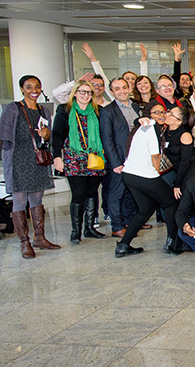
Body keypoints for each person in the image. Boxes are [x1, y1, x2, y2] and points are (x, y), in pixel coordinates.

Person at [0, 75, 58, 258]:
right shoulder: (13, 108)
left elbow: (48, 137)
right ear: (22, 89)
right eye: (29, 87)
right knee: (19, 201)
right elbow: (4, 136)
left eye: (37, 86)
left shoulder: (44, 111)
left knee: (37, 199)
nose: (34, 90)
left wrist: (47, 134)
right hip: (18, 160)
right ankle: (24, 242)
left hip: (38, 160)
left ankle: (39, 238)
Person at [116, 104, 181, 258]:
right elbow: (155, 156)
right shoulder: (150, 127)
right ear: (148, 114)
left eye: (163, 112)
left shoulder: (143, 128)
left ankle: (123, 245)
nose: (161, 115)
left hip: (129, 175)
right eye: (156, 112)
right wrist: (156, 174)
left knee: (145, 209)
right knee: (171, 203)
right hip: (144, 175)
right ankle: (173, 242)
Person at [52, 80, 107, 243]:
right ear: (75, 93)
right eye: (82, 92)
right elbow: (57, 135)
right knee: (78, 194)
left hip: (95, 158)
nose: (86, 95)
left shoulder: (98, 111)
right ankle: (76, 231)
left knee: (92, 193)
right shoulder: (65, 110)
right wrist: (57, 156)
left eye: (89, 92)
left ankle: (89, 228)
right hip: (73, 158)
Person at [99, 78, 142, 239]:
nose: (122, 91)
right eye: (117, 89)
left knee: (131, 192)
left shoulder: (137, 107)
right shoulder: (107, 111)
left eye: (124, 87)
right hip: (119, 159)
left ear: (129, 88)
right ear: (111, 92)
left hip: (136, 158)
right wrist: (115, 163)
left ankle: (130, 221)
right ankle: (117, 226)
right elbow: (107, 139)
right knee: (117, 193)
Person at [163, 107, 195, 201]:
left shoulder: (185, 135)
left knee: (184, 192)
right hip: (178, 166)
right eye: (169, 111)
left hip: (192, 165)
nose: (167, 114)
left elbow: (185, 161)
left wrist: (177, 183)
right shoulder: (165, 131)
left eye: (171, 114)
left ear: (179, 122)